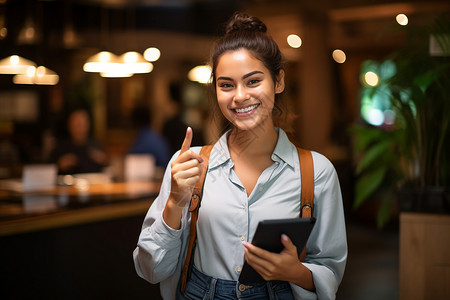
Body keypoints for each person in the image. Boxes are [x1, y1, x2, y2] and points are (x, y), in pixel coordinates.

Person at [133, 12, 347, 300]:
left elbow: (330, 269)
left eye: (253, 81)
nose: (239, 96)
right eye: (226, 85)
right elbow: (151, 270)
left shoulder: (316, 171)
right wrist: (174, 202)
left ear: (279, 81)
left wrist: (294, 271)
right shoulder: (188, 165)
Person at [48, 107, 108, 175]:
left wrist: (104, 160)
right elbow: (48, 170)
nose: (79, 129)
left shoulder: (95, 145)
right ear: (69, 125)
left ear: (88, 125)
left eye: (82, 124)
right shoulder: (61, 147)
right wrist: (59, 165)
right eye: (77, 125)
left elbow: (107, 168)